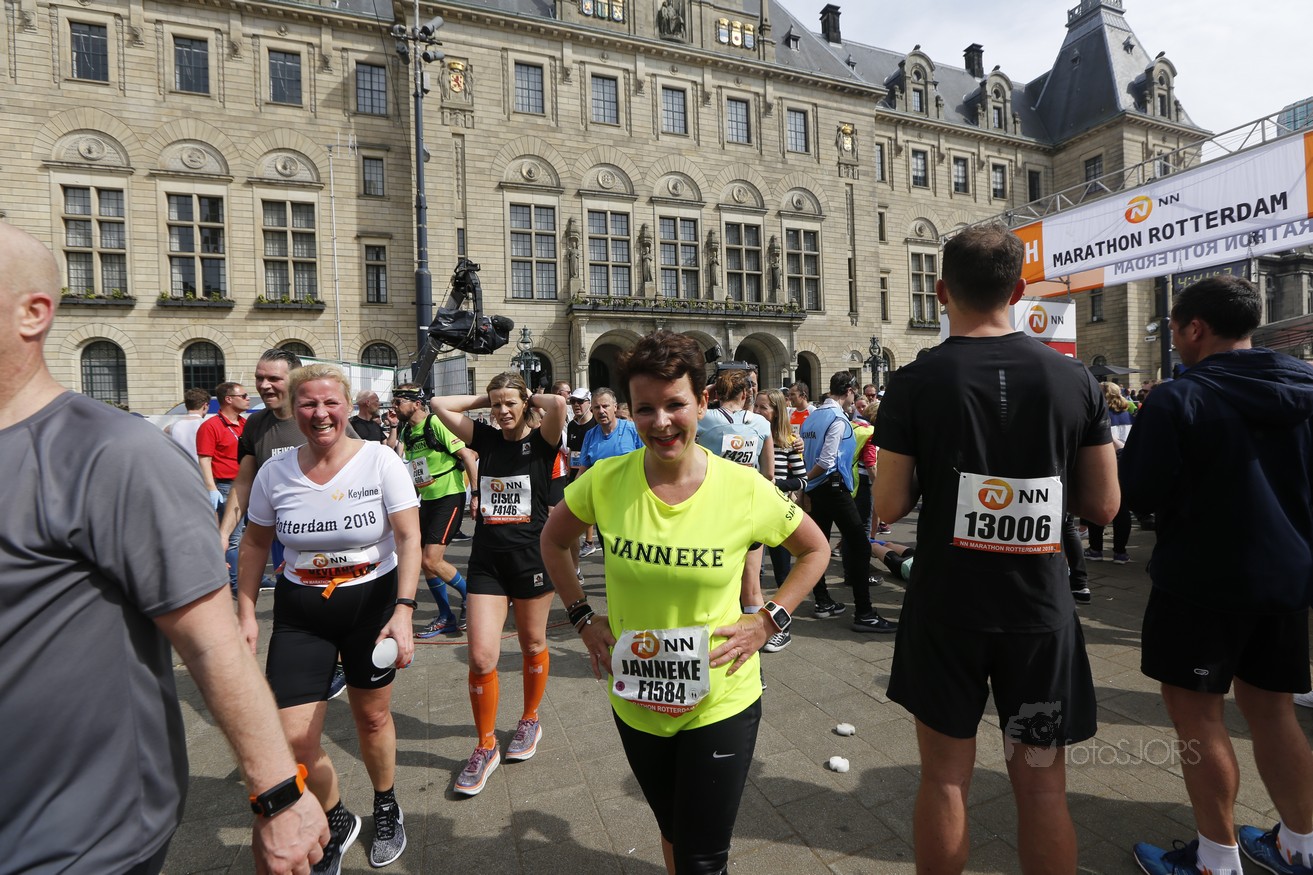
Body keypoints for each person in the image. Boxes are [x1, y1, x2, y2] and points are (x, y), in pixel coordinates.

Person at [0, 222, 327, 874]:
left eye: (273, 380)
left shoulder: (114, 453)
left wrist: (278, 796)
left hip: (68, 842)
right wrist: (227, 536)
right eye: (256, 382)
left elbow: (209, 644)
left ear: (32, 313)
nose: (264, 391)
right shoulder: (253, 430)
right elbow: (243, 488)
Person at [872, 223, 1119, 874]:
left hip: (946, 609)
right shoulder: (1073, 379)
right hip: (1038, 610)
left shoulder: (914, 381)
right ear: (1018, 290)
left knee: (945, 779)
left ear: (940, 291)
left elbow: (888, 506)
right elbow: (1103, 506)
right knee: (1042, 787)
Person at [540, 329, 829, 875]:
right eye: (645, 408)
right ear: (630, 411)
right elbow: (553, 541)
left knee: (703, 856)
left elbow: (815, 549)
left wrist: (768, 620)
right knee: (673, 829)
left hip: (721, 697)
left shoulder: (743, 488)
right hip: (637, 697)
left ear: (703, 401)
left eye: (675, 404)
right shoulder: (605, 480)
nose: (661, 422)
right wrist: (581, 616)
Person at [1121, 276, 1313, 875]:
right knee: (1275, 711)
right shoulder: (1306, 388)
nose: (1175, 341)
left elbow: (1139, 493)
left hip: (1201, 582)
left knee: (1198, 716)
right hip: (1286, 578)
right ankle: (1301, 846)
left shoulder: (1179, 398)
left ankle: (1215, 859)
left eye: (1176, 330)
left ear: (1196, 328)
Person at [236, 363, 421, 872]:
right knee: (293, 738)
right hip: (302, 612)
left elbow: (409, 538)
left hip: (372, 605)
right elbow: (254, 543)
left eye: (330, 403)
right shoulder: (275, 471)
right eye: (309, 404)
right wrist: (246, 611)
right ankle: (337, 817)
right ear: (293, 410)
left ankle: (386, 803)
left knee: (372, 717)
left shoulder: (380, 460)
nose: (321, 414)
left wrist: (404, 610)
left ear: (346, 406)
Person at [429, 375, 567, 796]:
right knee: (481, 657)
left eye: (510, 404)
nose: (502, 411)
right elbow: (438, 405)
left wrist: (524, 396)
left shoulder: (542, 441)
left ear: (526, 403)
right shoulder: (486, 438)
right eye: (496, 405)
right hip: (487, 562)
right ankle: (485, 744)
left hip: (531, 560)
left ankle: (529, 719)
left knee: (531, 643)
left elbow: (558, 406)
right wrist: (487, 398)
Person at [800, 371, 897, 632]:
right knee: (860, 546)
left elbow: (807, 454)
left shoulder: (812, 417)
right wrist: (805, 480)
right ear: (850, 391)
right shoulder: (838, 418)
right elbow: (827, 460)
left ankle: (822, 601)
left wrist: (805, 483)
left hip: (816, 490)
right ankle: (864, 612)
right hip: (833, 487)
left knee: (818, 546)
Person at [393, 383, 477, 639]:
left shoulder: (435, 423)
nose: (394, 407)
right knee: (423, 560)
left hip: (448, 496)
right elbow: (417, 469)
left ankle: (471, 597)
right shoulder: (407, 431)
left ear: (417, 404)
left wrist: (475, 495)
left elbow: (467, 456)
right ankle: (445, 616)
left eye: (399, 402)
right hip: (427, 500)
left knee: (432, 559)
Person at [754, 387, 808, 652]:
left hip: (776, 512)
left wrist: (774, 485)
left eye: (763, 407)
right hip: (751, 512)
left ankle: (783, 628)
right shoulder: (750, 435)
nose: (757, 411)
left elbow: (803, 480)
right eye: (755, 405)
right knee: (750, 574)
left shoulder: (788, 441)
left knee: (782, 572)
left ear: (776, 411)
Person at [197, 380, 250, 593]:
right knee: (233, 538)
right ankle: (235, 584)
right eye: (243, 396)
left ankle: (250, 577)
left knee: (252, 536)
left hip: (250, 485)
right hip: (228, 486)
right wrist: (211, 487)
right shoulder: (211, 426)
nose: (248, 399)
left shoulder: (245, 424)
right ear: (229, 399)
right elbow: (205, 459)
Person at [1082, 381, 1134, 564]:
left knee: (1099, 504)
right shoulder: (1128, 415)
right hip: (1126, 462)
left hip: (1104, 464)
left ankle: (1095, 549)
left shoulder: (1099, 415)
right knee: (1123, 509)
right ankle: (1120, 552)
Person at [566, 387, 599, 556]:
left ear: (589, 403)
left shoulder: (596, 424)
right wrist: (568, 469)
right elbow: (571, 450)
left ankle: (590, 541)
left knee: (589, 506)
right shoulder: (572, 425)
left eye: (580, 401)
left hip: (591, 470)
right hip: (574, 470)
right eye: (573, 401)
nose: (576, 405)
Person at [578, 387, 642, 471]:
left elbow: (648, 461)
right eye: (597, 407)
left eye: (605, 406)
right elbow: (583, 470)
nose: (601, 411)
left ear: (615, 407)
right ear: (592, 410)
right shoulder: (590, 435)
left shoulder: (633, 430)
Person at [166, 386, 210, 461]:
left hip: (179, 466)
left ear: (186, 405)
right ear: (205, 406)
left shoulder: (170, 428)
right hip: (200, 466)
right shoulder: (208, 426)